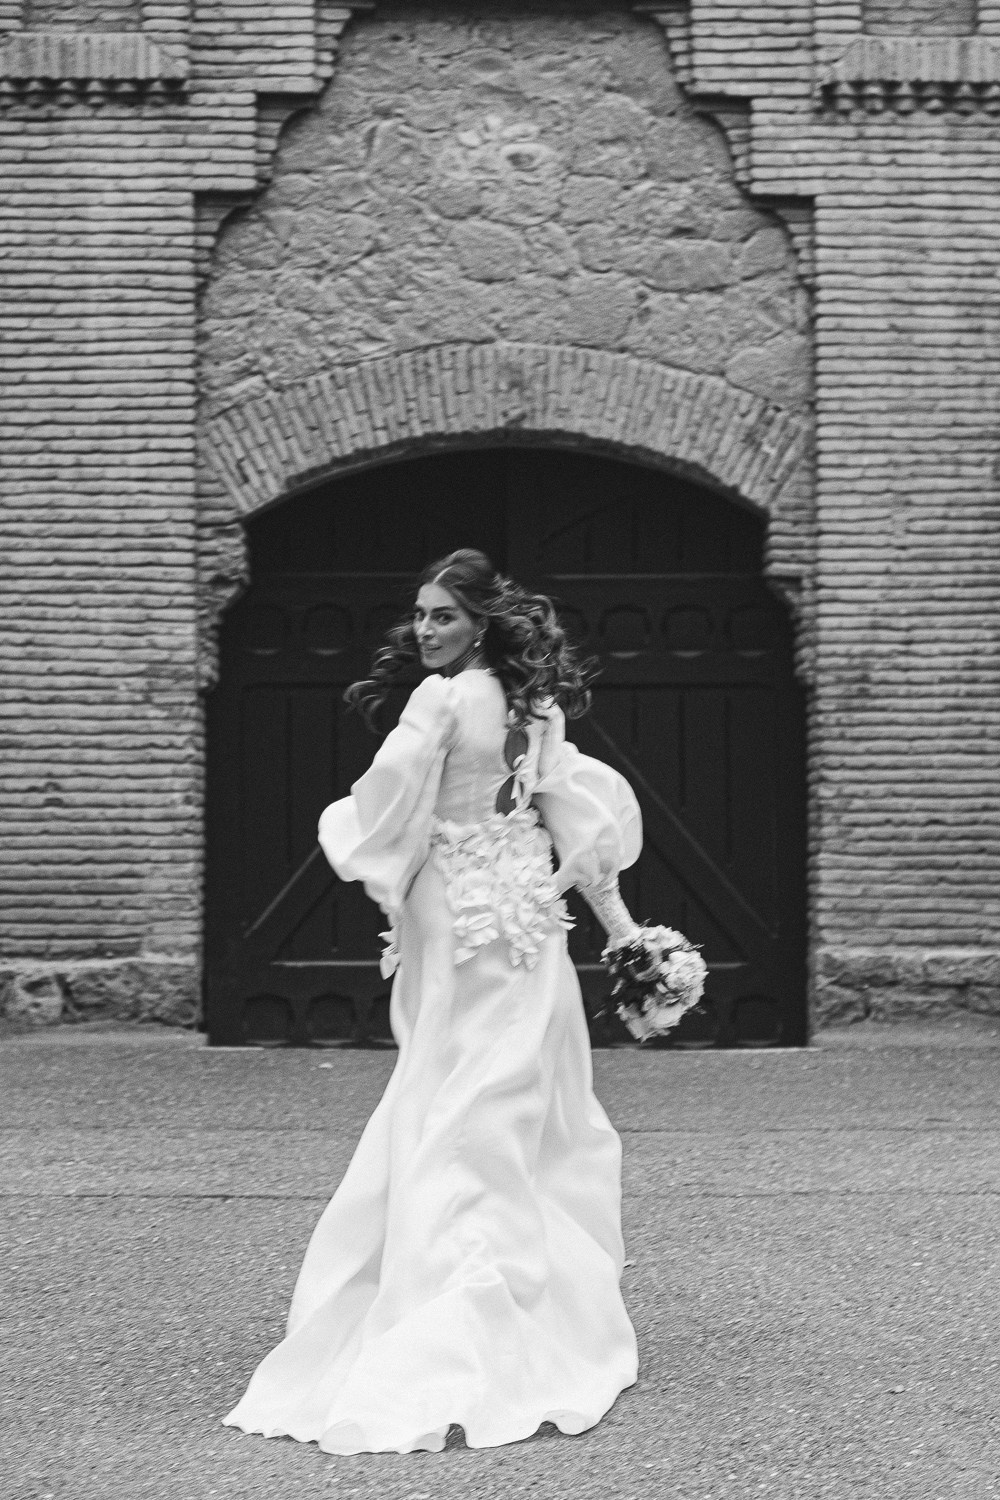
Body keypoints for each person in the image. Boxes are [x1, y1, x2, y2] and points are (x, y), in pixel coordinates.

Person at [224, 548, 647, 1455]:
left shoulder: (442, 701)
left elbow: (385, 812)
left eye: (443, 615)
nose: (424, 630)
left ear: (481, 622)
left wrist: (357, 839)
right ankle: (507, 1295)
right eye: (419, 614)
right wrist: (619, 928)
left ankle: (453, 1295)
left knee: (456, 1090)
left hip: (460, 913)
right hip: (525, 909)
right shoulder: (535, 705)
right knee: (512, 1089)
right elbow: (574, 815)